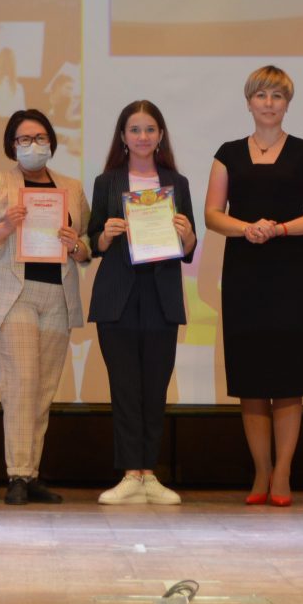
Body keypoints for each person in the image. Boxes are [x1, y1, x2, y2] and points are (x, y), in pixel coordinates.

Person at [205, 66, 303, 506]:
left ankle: (284, 472)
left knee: (289, 374)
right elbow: (212, 214)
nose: (269, 103)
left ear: (287, 103)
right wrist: (246, 228)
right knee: (251, 376)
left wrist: (280, 229)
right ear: (249, 102)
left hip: (292, 269)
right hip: (244, 269)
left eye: (278, 96)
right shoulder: (227, 153)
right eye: (261, 95)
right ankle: (261, 470)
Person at [0, 109, 92, 504]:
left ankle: (32, 474)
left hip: (57, 295)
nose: (33, 145)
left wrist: (76, 244)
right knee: (20, 384)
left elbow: (86, 245)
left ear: (51, 141)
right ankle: (17, 474)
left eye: (40, 138)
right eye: (24, 139)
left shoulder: (71, 187)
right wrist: (5, 226)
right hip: (12, 296)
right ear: (12, 145)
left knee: (43, 390)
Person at [87, 100, 198, 505]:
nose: (142, 136)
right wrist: (106, 234)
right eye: (134, 129)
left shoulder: (176, 182)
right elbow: (93, 242)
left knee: (155, 386)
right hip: (117, 295)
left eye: (150, 129)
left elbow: (189, 247)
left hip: (161, 294)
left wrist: (186, 234)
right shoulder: (107, 181)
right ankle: (129, 473)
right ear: (122, 136)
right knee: (125, 388)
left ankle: (149, 473)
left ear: (161, 135)